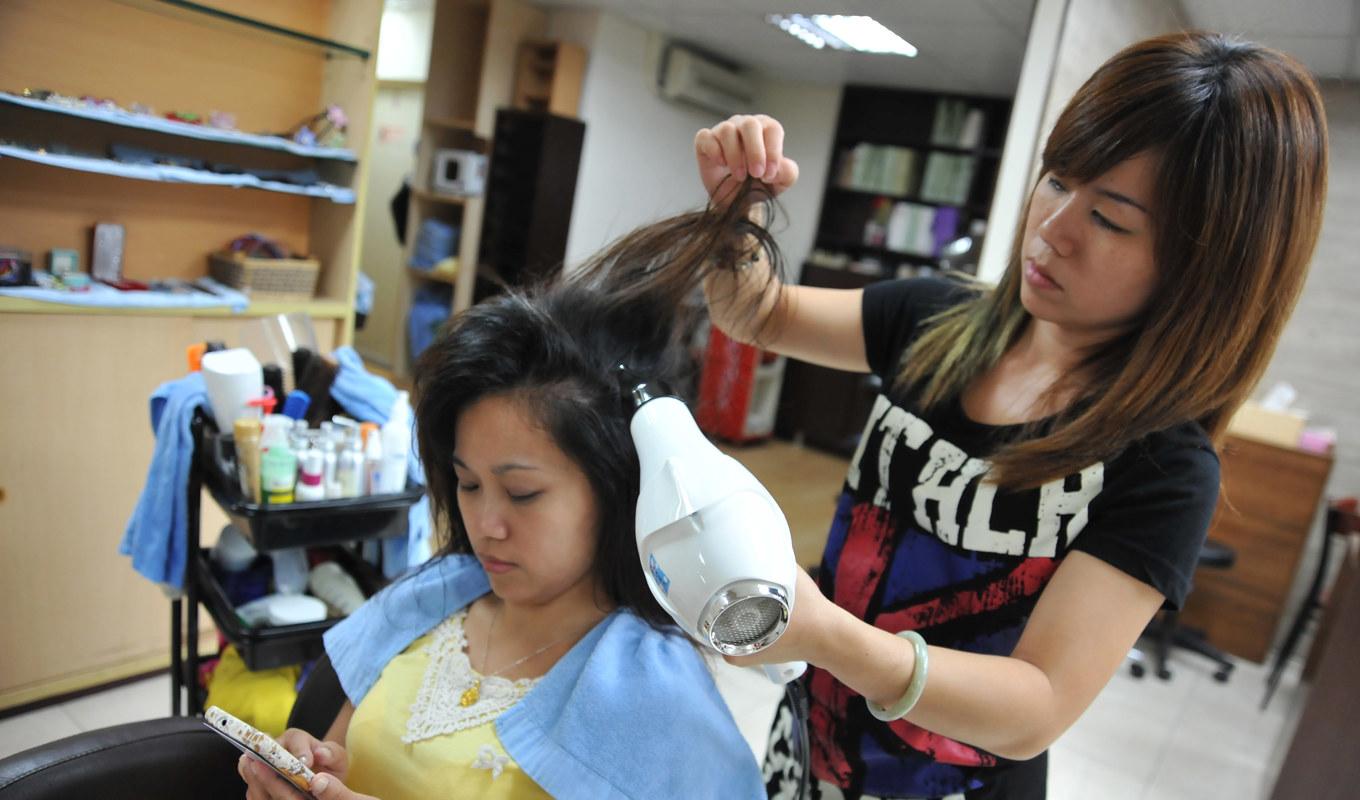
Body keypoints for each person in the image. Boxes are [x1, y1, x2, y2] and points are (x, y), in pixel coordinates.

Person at [691, 32, 1328, 800]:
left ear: (1203, 269)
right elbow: (753, 312)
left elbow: (1037, 703)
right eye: (1057, 181)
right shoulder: (937, 321)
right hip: (813, 752)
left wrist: (830, 638)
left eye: (1113, 220)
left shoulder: (1162, 466)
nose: (1052, 229)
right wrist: (736, 211)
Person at [235, 191, 781, 799]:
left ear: (617, 488)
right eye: (468, 484)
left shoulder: (657, 694)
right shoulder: (431, 601)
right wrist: (305, 772)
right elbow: (335, 752)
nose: (484, 524)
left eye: (521, 493)